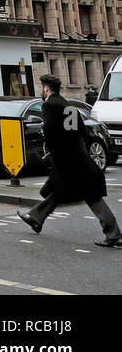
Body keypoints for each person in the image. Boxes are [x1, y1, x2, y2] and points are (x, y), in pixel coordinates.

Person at [18, 74, 121, 248]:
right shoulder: (69, 106)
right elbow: (81, 130)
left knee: (91, 195)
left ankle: (114, 235)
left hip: (68, 159)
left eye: (42, 87)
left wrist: (51, 149)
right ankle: (35, 217)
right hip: (78, 155)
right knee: (62, 189)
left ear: (46, 88)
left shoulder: (50, 105)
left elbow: (49, 130)